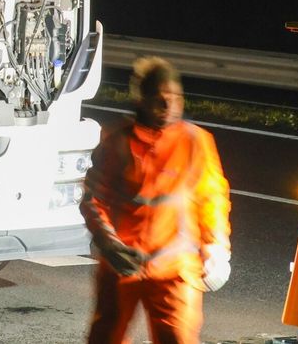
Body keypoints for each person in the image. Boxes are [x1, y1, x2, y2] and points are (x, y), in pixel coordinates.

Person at [80, 57, 232, 344]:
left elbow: (213, 198)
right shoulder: (117, 142)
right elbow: (93, 197)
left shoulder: (195, 141)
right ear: (141, 99)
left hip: (175, 270)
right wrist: (108, 242)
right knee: (106, 337)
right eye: (159, 97)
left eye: (174, 96)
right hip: (123, 265)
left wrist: (217, 249)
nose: (168, 104)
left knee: (178, 338)